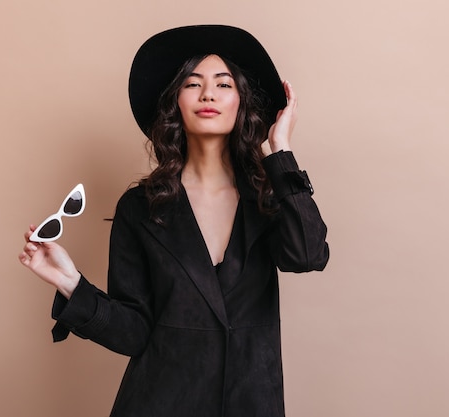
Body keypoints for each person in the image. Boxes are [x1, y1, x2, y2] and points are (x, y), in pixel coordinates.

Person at [19, 25, 329, 417]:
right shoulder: (140, 207)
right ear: (175, 103)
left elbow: (307, 254)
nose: (208, 94)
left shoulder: (269, 198)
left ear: (242, 102)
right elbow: (133, 333)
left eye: (224, 84)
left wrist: (280, 150)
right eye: (192, 84)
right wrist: (69, 283)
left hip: (252, 403)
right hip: (159, 402)